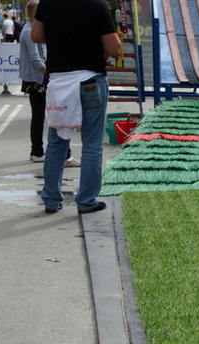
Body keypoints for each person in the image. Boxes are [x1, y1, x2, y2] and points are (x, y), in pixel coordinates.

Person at [33, 0, 121, 214]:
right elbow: (114, 48)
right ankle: (86, 201)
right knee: (91, 144)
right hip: (90, 79)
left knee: (56, 143)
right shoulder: (97, 5)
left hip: (59, 82)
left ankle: (51, 200)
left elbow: (36, 36)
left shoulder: (47, 3)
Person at [21, 0, 47, 162]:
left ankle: (36, 150)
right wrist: (48, 72)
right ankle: (36, 151)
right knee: (38, 116)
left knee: (39, 115)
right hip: (36, 79)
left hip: (35, 78)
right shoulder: (29, 31)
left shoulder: (30, 28)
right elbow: (35, 58)